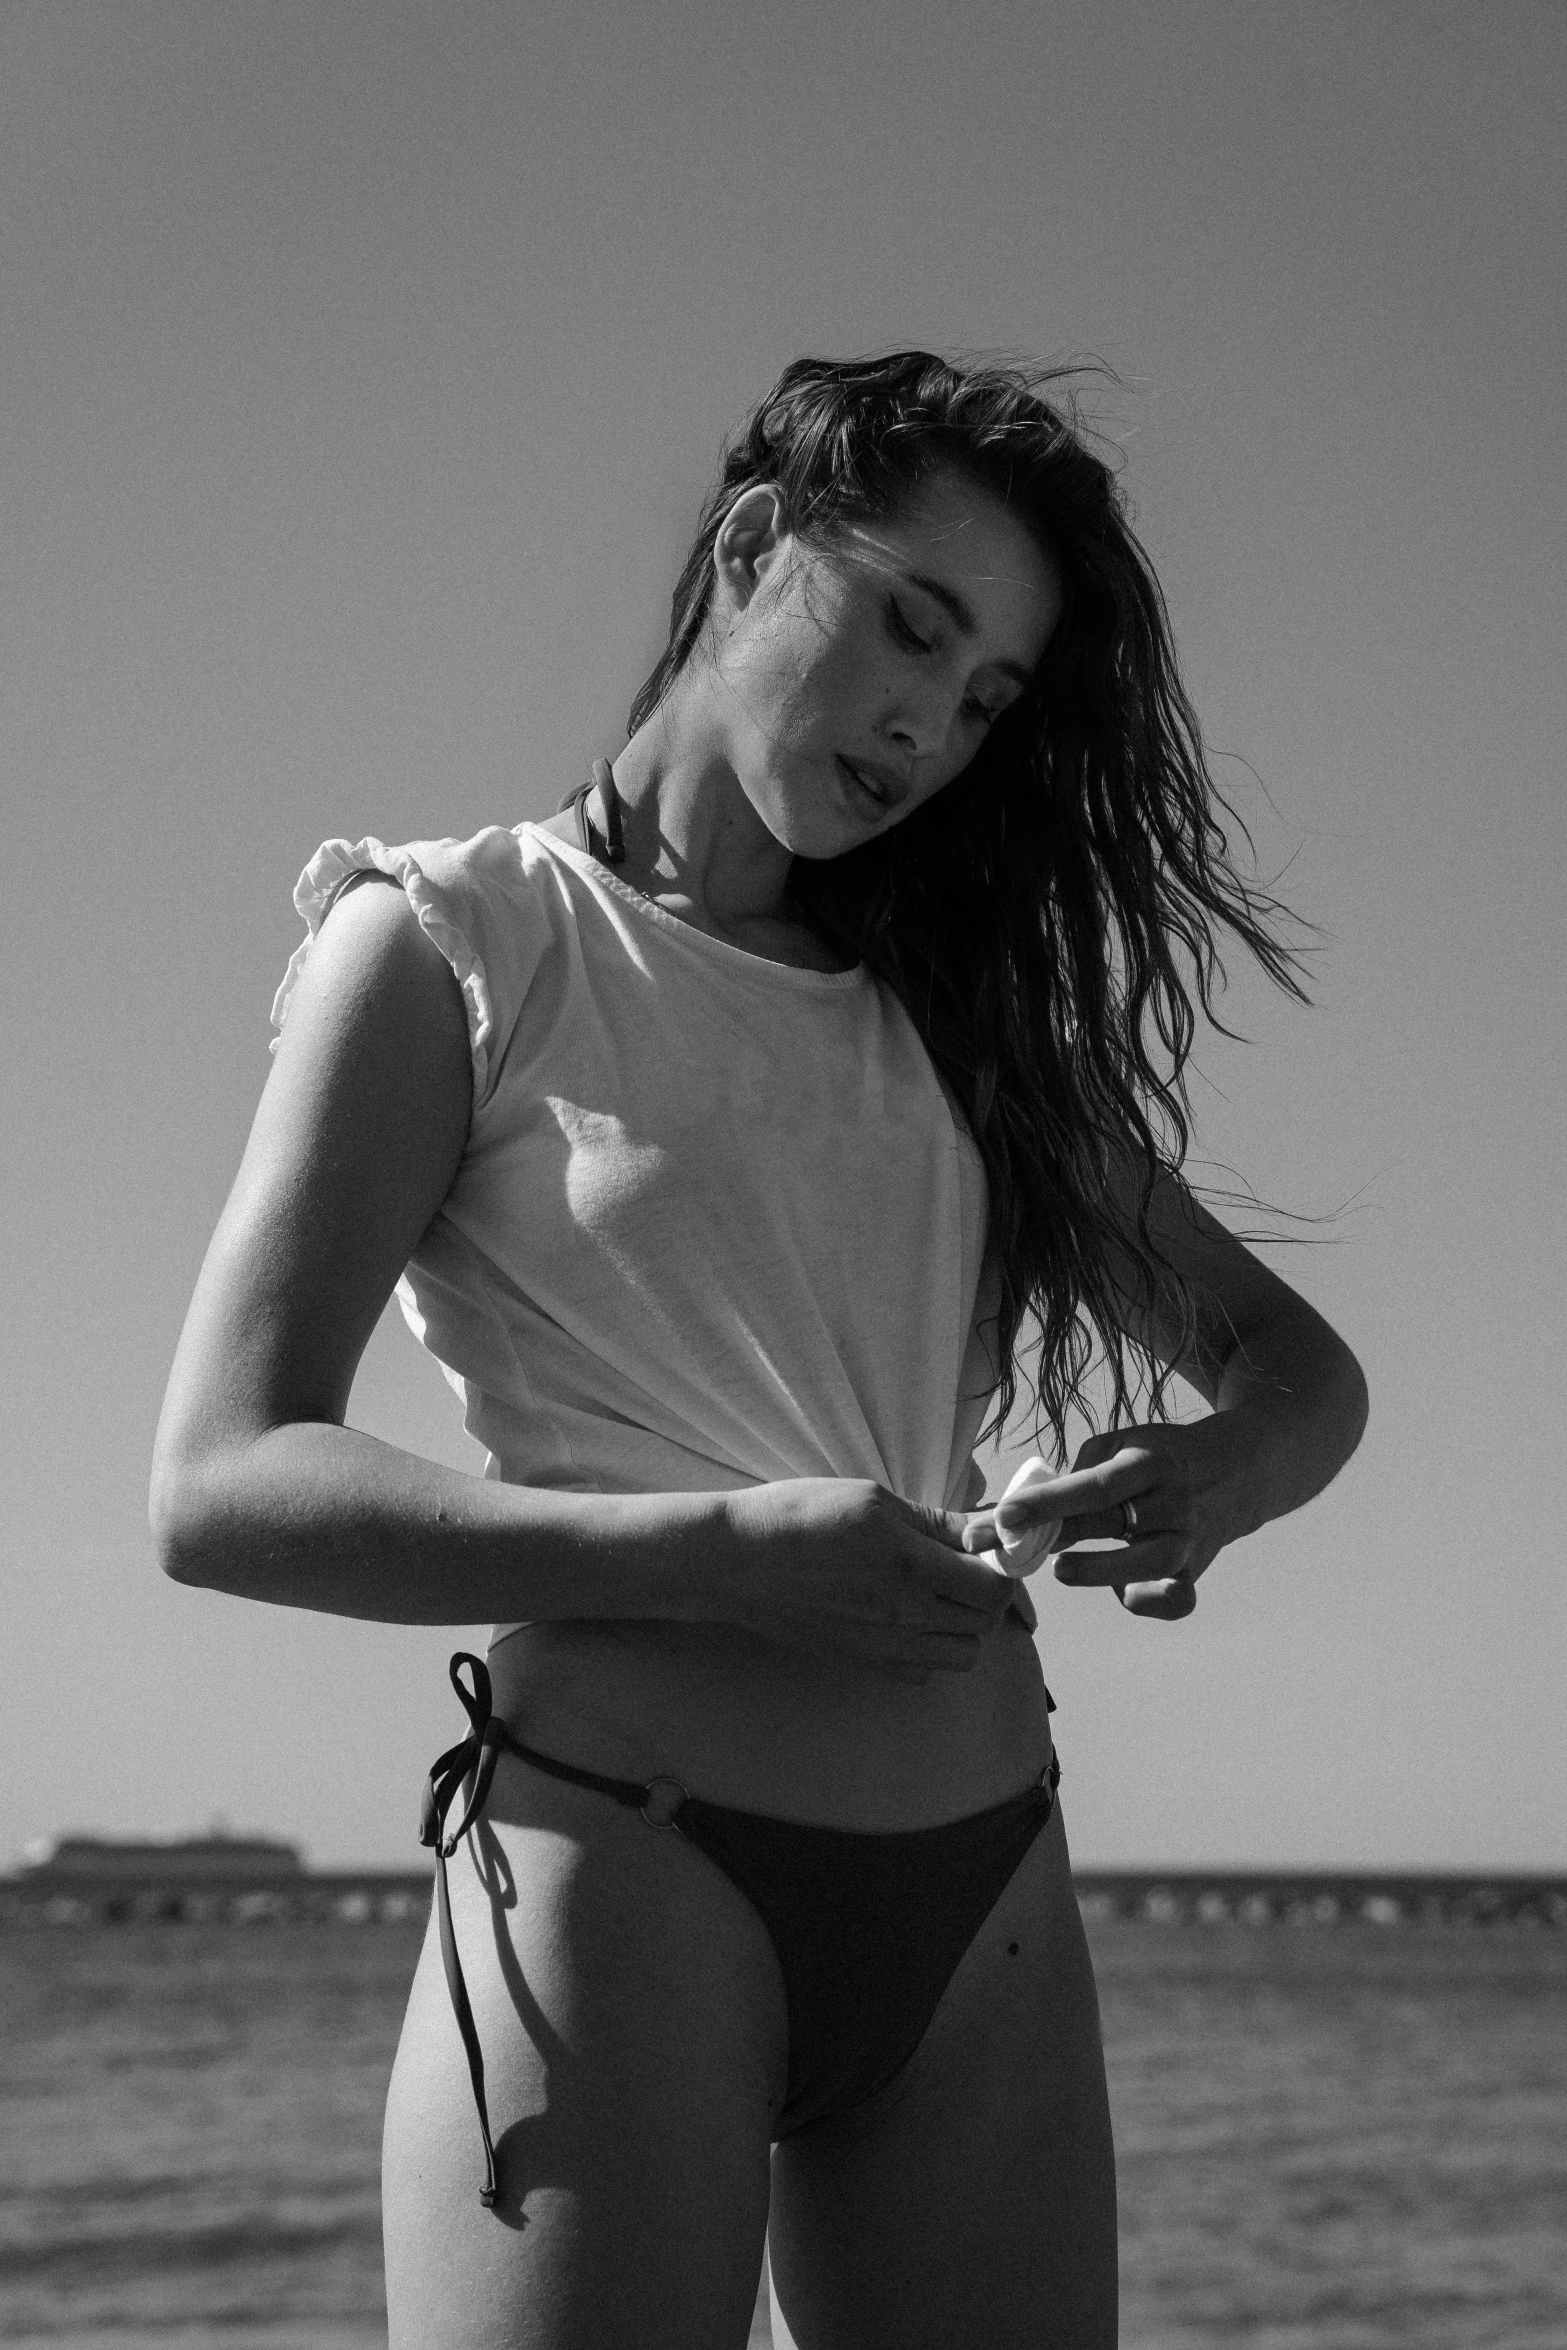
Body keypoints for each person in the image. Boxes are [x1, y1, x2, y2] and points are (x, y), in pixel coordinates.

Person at [150, 350, 1368, 2349]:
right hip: (628, 1886)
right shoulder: (461, 941)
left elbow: (1296, 1364)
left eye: (986, 694)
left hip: (985, 1892)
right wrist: (726, 1542)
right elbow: (222, 1482)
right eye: (912, 620)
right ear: (747, 547)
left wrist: (1220, 1469)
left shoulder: (954, 1024)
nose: (930, 719)